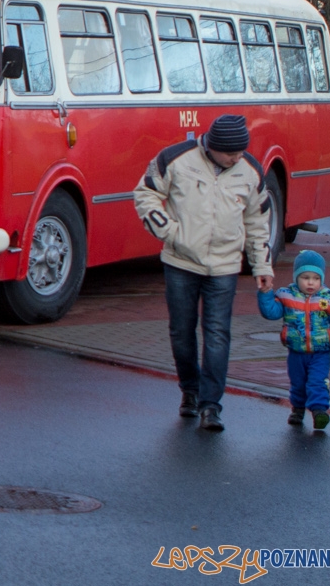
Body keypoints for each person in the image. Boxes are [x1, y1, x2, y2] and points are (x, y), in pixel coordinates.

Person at [133, 113, 273, 432]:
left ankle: (211, 406)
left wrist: (261, 265)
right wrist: (169, 232)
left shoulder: (250, 170)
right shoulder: (175, 158)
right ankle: (190, 390)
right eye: (230, 153)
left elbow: (257, 221)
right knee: (181, 332)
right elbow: (146, 193)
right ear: (212, 147)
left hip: (225, 266)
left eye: (241, 152)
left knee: (218, 334)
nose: (237, 158)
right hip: (181, 262)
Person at [258, 249, 330, 430]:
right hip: (296, 352)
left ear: (321, 279)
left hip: (320, 353)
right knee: (298, 383)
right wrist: (265, 294)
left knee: (317, 381)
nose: (310, 282)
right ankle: (297, 409)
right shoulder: (287, 296)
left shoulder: (328, 299)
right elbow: (271, 312)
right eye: (305, 277)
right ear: (296, 277)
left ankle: (319, 411)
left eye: (316, 278)